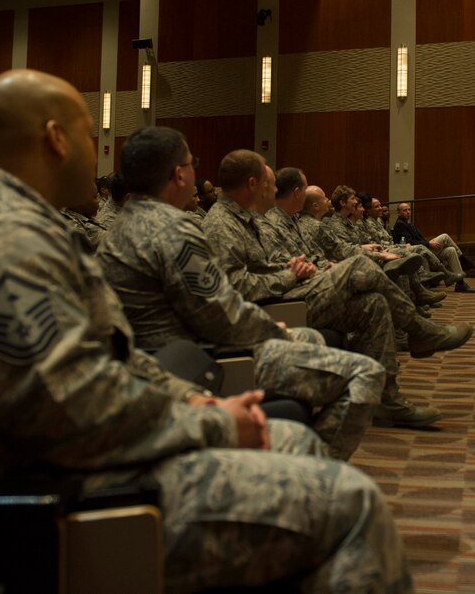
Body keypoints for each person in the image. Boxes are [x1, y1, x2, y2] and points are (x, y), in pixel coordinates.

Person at [0, 69, 411, 593]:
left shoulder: (21, 226)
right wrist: (214, 426)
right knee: (353, 506)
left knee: (294, 442)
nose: (98, 153)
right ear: (55, 138)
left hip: (68, 462)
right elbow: (60, 408)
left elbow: (110, 356)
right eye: (91, 136)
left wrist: (194, 402)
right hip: (34, 503)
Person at [96, 126, 385, 460]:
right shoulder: (173, 228)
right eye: (192, 163)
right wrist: (274, 331)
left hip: (172, 357)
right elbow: (220, 314)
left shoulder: (121, 227)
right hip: (205, 358)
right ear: (178, 175)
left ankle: (301, 462)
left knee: (316, 340)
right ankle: (320, 467)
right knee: (364, 374)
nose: (195, 171)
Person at [204, 154, 475, 428]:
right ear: (252, 184)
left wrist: (294, 266)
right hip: (275, 306)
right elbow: (236, 287)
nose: (274, 191)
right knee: (359, 266)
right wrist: (289, 274)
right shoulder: (222, 225)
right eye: (269, 184)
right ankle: (420, 330)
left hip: (290, 292)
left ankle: (387, 400)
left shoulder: (249, 220)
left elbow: (269, 263)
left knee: (373, 304)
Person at [393, 202, 475, 293]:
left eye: (409, 209)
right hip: (419, 252)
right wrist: (428, 243)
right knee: (445, 236)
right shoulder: (400, 224)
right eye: (405, 210)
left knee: (451, 250)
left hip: (425, 249)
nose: (408, 212)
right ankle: (464, 261)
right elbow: (410, 242)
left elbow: (418, 239)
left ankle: (460, 284)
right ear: (399, 213)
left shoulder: (408, 223)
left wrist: (429, 241)